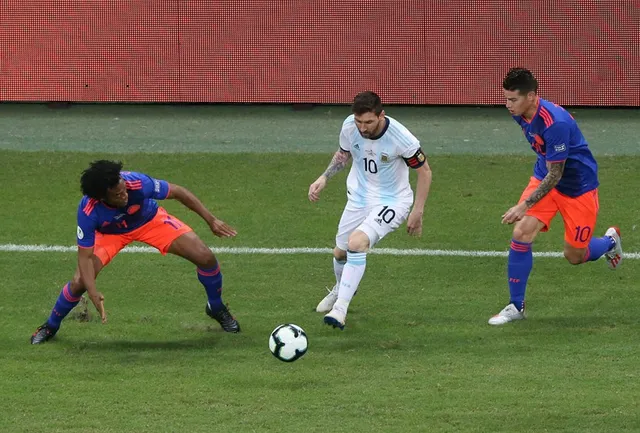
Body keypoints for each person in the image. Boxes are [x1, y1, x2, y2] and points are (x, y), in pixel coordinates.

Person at [31, 160, 240, 344]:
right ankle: (51, 325)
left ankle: (216, 306)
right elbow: (84, 257)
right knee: (79, 282)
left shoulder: (136, 183)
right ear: (102, 197)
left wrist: (211, 220)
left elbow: (178, 192)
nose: (125, 195)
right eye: (117, 195)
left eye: (124, 189)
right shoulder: (88, 211)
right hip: (110, 234)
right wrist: (93, 293)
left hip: (149, 220)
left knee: (205, 257)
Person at [489, 68, 623, 326]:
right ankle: (516, 306)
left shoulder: (555, 123)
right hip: (544, 176)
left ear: (531, 96)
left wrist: (524, 205)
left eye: (513, 99)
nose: (507, 105)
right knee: (521, 233)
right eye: (505, 98)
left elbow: (557, 174)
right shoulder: (521, 114)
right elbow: (547, 169)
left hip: (577, 188)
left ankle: (609, 242)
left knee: (575, 255)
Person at [308, 91, 432, 330]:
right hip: (358, 197)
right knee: (340, 253)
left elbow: (424, 171)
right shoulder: (349, 126)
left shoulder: (402, 138)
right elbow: (344, 154)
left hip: (393, 201)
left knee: (357, 243)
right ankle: (342, 288)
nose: (363, 128)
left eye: (368, 122)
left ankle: (340, 309)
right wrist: (324, 178)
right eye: (359, 122)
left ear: (381, 115)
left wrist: (418, 210)